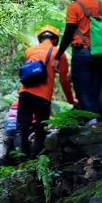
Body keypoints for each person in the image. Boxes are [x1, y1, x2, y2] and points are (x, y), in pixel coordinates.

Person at [14, 26, 66, 157]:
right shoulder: (59, 53)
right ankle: (31, 162)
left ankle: (19, 162)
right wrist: (71, 100)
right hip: (43, 98)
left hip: (25, 94)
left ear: (40, 38)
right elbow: (64, 80)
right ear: (55, 39)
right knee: (40, 132)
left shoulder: (30, 50)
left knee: (21, 130)